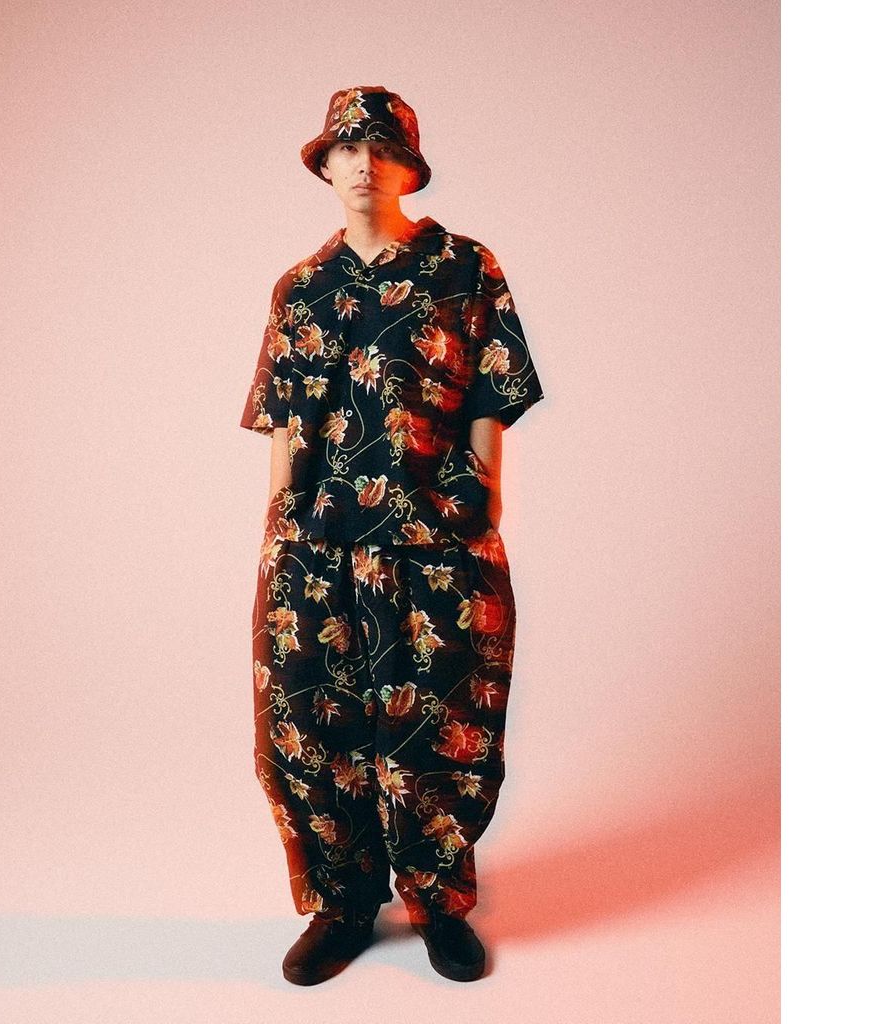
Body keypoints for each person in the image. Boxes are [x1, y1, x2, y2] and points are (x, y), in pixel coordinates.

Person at [240, 85, 545, 985]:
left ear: (409, 166)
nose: (363, 164)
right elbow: (284, 422)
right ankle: (342, 905)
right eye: (347, 149)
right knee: (310, 724)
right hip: (318, 545)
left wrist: (483, 504)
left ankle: (439, 903)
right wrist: (276, 534)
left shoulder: (465, 267)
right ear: (325, 166)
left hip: (436, 538)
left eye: (381, 148)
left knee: (442, 721)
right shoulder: (301, 288)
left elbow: (491, 393)